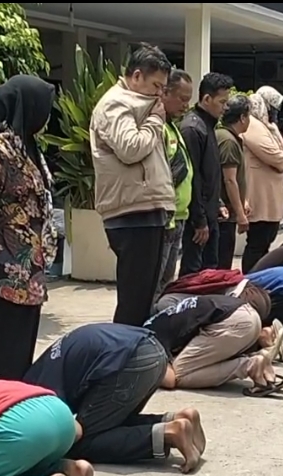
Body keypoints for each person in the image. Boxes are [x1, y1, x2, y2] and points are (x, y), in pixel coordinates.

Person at [0, 76, 58, 381]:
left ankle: (11, 416)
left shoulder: (28, 145)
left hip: (30, 273)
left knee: (19, 356)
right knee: (0, 354)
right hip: (3, 269)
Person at [23, 323, 206, 472]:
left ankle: (169, 434)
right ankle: (178, 420)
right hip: (152, 349)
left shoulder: (36, 392)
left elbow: (74, 431)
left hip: (129, 361)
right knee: (112, 423)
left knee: (82, 442)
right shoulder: (41, 372)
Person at [91, 44, 175, 325]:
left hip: (147, 207)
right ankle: (123, 356)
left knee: (145, 296)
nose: (159, 93)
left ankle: (136, 352)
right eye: (156, 85)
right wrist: (154, 120)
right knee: (134, 298)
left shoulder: (143, 103)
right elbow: (130, 148)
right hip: (130, 212)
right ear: (136, 76)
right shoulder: (116, 103)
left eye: (163, 88)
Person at [145, 291, 283, 394]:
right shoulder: (156, 323)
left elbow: (170, 380)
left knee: (180, 374)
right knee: (194, 360)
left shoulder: (149, 339)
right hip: (245, 313)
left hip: (230, 322)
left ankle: (250, 365)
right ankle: (261, 362)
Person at [180, 72, 233, 275]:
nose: (225, 107)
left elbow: (210, 173)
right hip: (198, 219)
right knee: (194, 273)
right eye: (222, 102)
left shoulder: (207, 126)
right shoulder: (193, 129)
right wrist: (199, 220)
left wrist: (218, 203)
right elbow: (192, 179)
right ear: (206, 99)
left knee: (209, 270)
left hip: (209, 213)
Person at [242, 86, 283, 272]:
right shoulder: (253, 125)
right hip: (259, 195)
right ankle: (250, 280)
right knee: (257, 243)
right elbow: (277, 157)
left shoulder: (267, 126)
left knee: (265, 242)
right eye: (273, 107)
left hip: (271, 195)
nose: (275, 113)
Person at [156, 69, 194, 297]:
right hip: (164, 218)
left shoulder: (173, 127)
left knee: (167, 283)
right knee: (154, 283)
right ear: (164, 93)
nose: (185, 106)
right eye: (182, 99)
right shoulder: (157, 127)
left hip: (179, 217)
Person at [216, 94, 251, 270]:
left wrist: (243, 201)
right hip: (225, 214)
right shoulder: (228, 141)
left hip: (228, 211)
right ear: (242, 117)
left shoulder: (229, 137)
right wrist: (240, 215)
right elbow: (229, 180)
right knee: (222, 261)